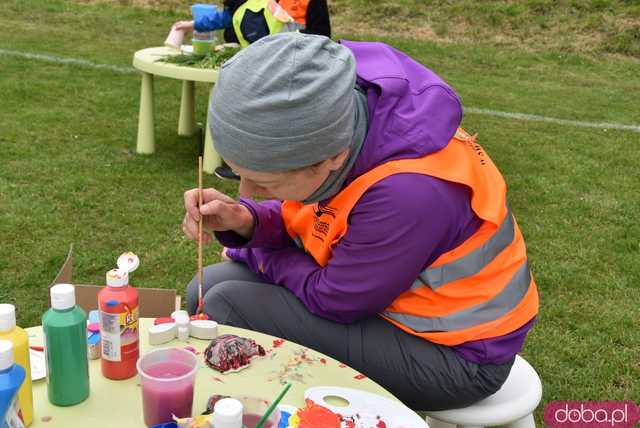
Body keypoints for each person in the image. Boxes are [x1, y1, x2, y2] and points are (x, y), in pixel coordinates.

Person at [181, 32, 539, 411]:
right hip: (394, 314)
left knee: (226, 305)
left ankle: (258, 412)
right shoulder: (344, 126)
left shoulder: (408, 193)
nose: (248, 192)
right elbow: (310, 217)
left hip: (457, 357)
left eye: (264, 180)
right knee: (206, 289)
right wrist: (245, 222)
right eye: (239, 175)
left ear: (331, 158)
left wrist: (259, 257)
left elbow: (336, 299)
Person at [174, 0, 331, 180]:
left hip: (296, 67)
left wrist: (293, 38)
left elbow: (322, 35)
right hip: (263, 66)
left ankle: (272, 168)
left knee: (276, 120)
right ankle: (250, 167)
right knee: (253, 116)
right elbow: (232, 16)